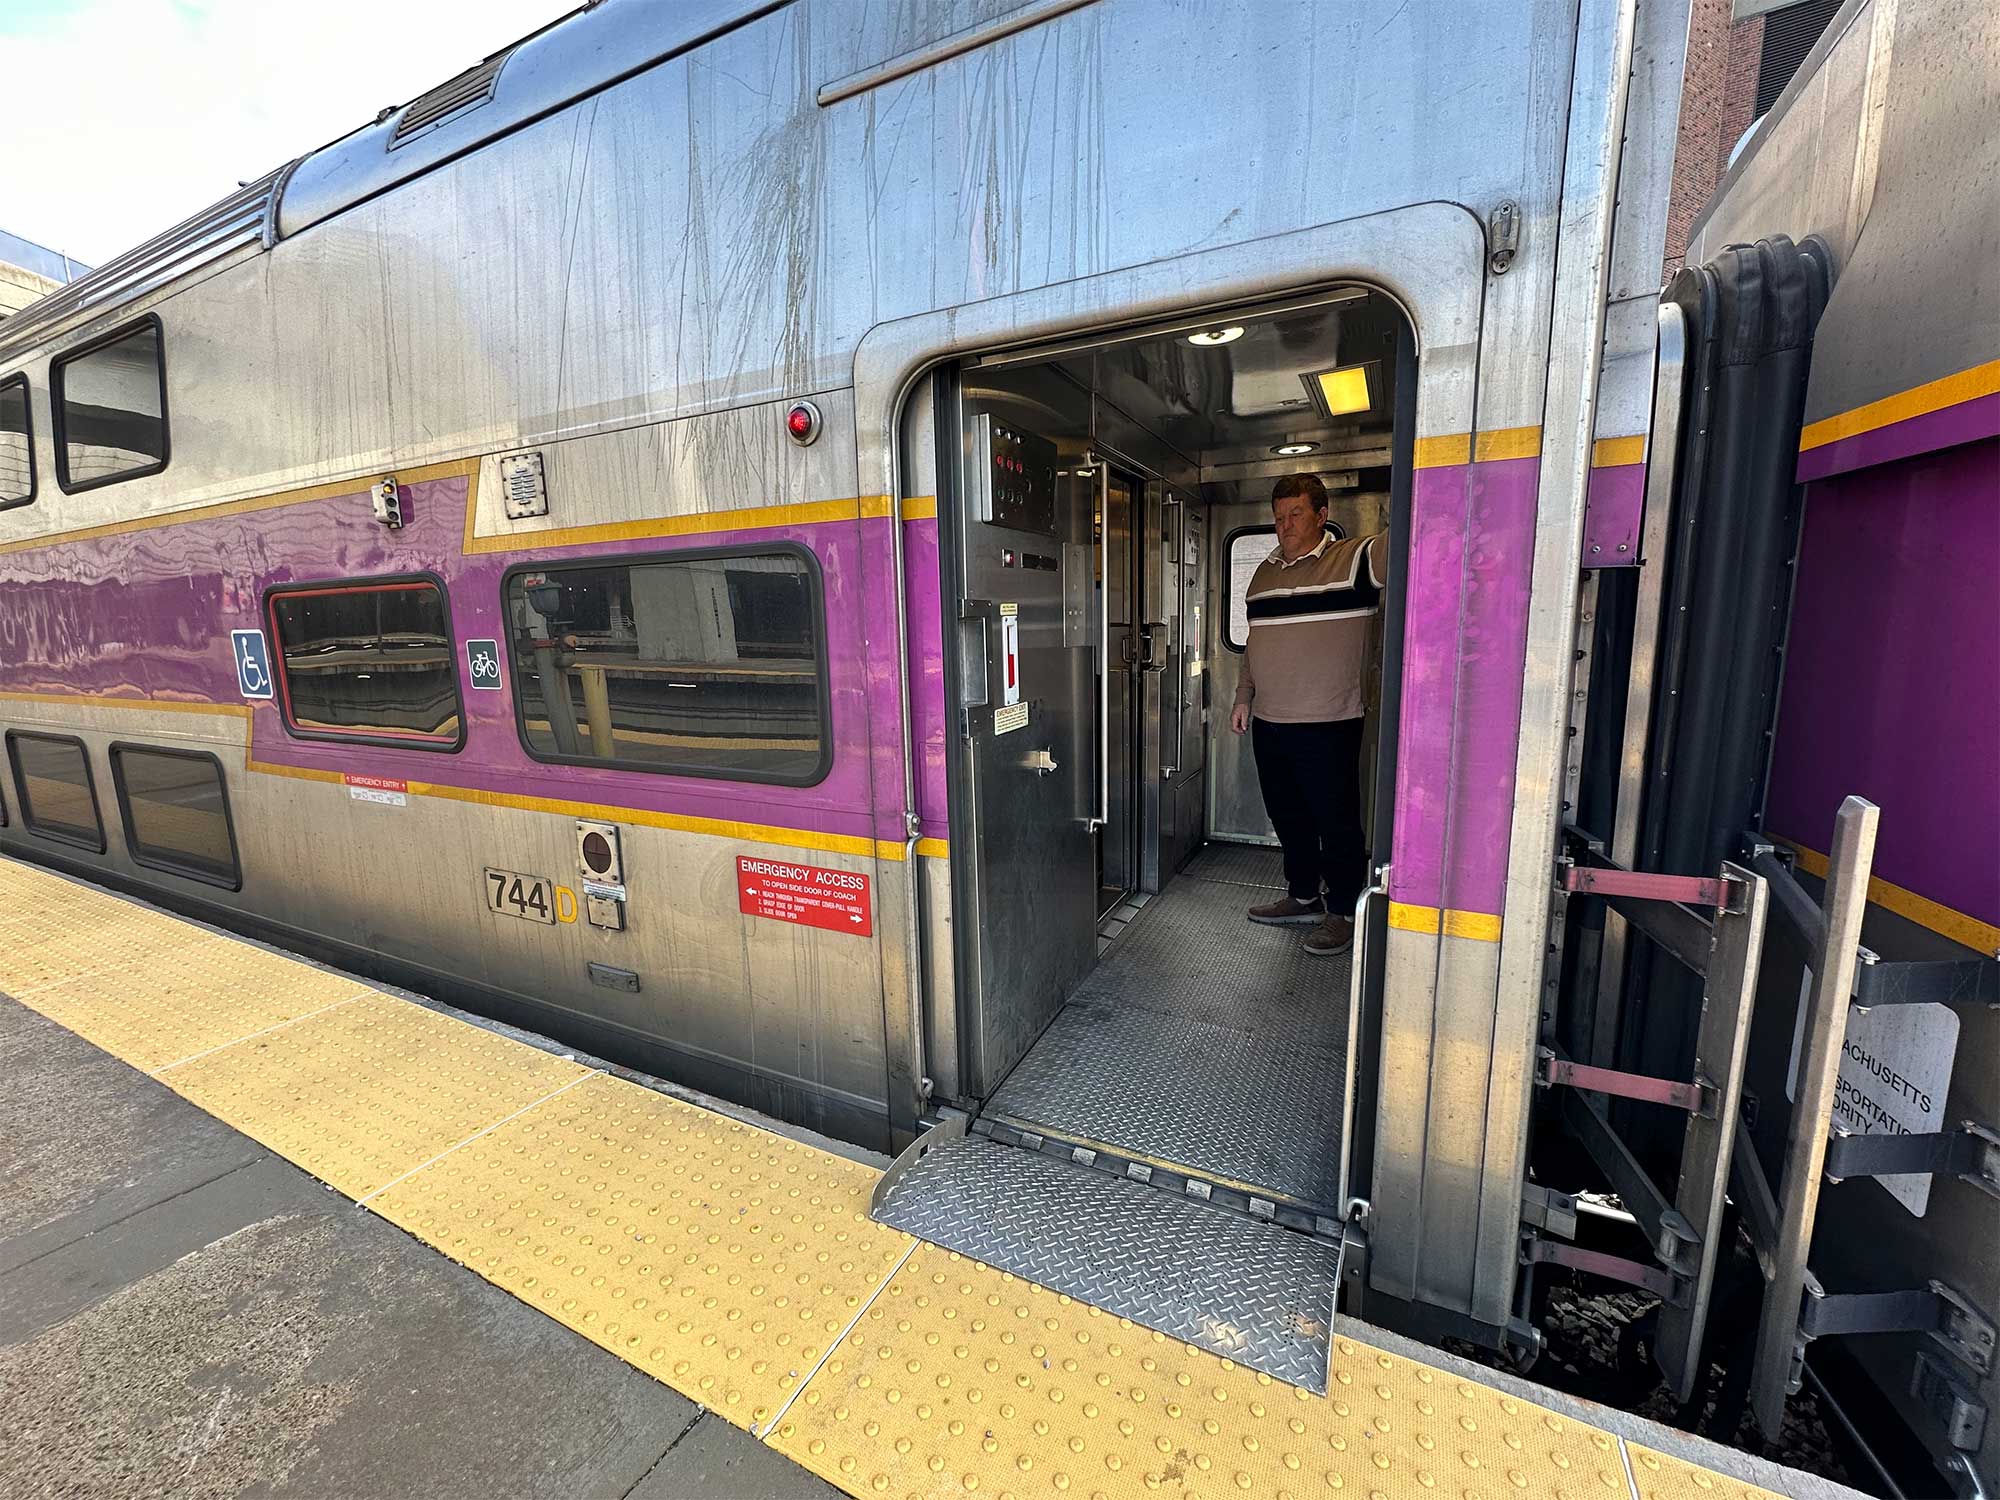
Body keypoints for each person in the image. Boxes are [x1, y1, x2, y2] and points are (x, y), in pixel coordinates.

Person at [1230, 473, 1382, 956]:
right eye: (1278, 517)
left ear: (1321, 514)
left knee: (1336, 820)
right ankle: (1303, 896)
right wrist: (1243, 696)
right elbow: (1254, 643)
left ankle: (1341, 912)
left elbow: (1418, 534)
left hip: (1331, 720)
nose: (1285, 525)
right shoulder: (1263, 574)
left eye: (1296, 514)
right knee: (1288, 816)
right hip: (1271, 719)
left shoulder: (1356, 559)